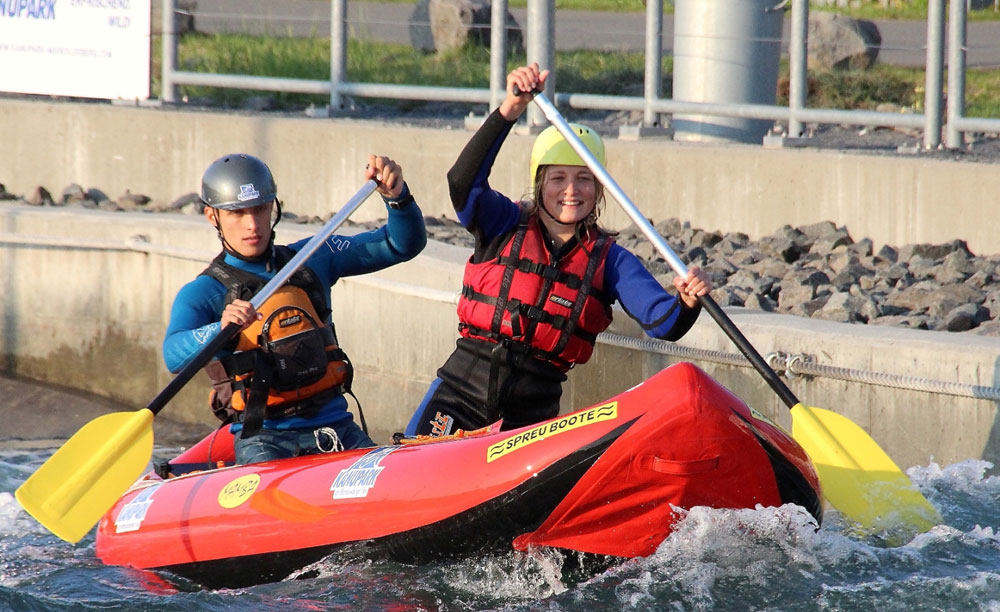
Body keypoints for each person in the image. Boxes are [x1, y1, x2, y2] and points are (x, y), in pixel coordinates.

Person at [405, 63, 712, 437]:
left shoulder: (610, 261)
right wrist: (510, 110)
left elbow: (664, 323)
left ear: (599, 190)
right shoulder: (502, 222)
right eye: (559, 178)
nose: (572, 189)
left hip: (530, 421)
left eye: (584, 178)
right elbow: (462, 181)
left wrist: (688, 300)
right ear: (540, 184)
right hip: (460, 396)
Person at [164, 152, 426, 464]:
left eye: (260, 209)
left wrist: (397, 198)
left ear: (273, 208)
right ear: (213, 216)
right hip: (264, 438)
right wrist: (219, 329)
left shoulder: (312, 256)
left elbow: (401, 244)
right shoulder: (204, 292)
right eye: (237, 213)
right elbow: (172, 354)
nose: (252, 224)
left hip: (337, 427)